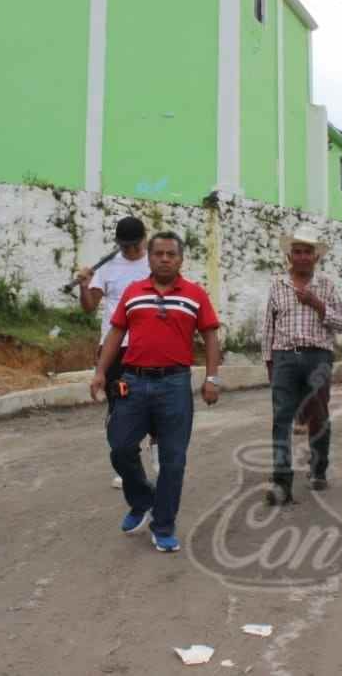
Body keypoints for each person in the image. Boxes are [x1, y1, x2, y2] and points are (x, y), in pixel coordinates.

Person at [90, 231, 221, 553]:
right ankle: (142, 500)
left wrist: (212, 379)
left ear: (180, 259)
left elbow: (211, 337)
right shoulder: (134, 292)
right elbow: (116, 332)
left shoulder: (195, 295)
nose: (164, 259)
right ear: (149, 257)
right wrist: (100, 372)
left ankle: (163, 526)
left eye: (170, 254)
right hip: (133, 382)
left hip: (175, 385)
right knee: (120, 446)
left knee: (173, 459)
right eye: (158, 253)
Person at [260, 225, 342, 505]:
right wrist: (269, 362)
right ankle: (281, 481)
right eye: (296, 252)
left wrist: (317, 304)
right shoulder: (278, 285)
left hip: (318, 357)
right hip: (284, 356)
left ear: (316, 257)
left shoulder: (327, 286)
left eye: (307, 252)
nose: (301, 257)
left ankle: (318, 469)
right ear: (290, 256)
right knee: (281, 419)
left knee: (318, 416)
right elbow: (268, 327)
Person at [77, 216, 154, 488]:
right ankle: (126, 465)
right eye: (125, 247)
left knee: (154, 401)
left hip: (149, 344)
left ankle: (157, 449)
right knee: (120, 406)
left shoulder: (155, 263)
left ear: (143, 239)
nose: (131, 252)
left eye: (135, 246)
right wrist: (84, 286)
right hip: (114, 347)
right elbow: (89, 306)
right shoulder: (107, 267)